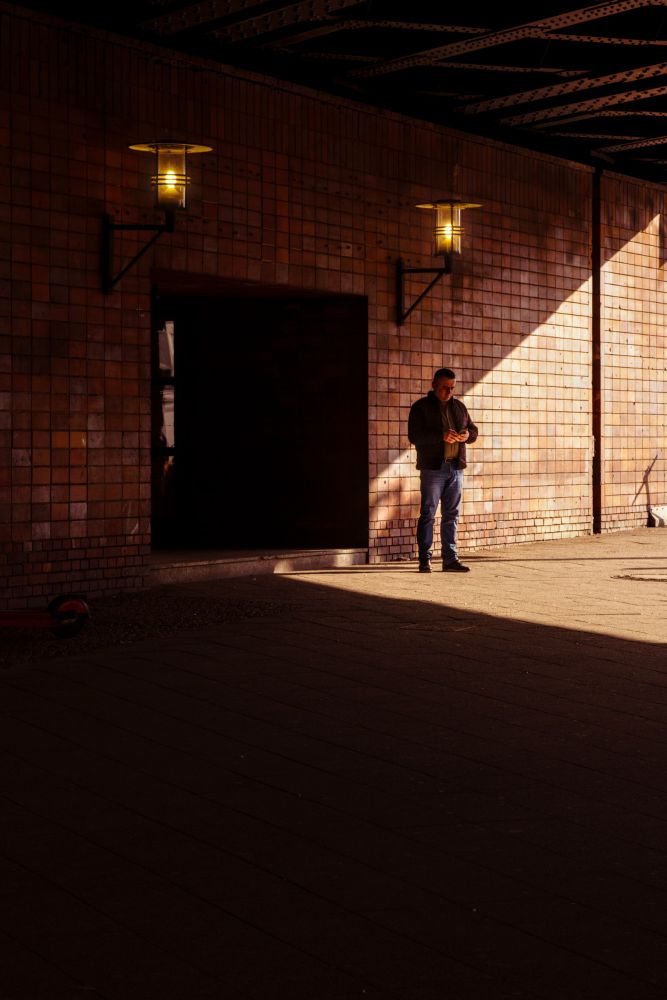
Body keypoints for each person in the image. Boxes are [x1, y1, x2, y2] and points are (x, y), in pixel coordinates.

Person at [408, 368, 479, 573]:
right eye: (445, 388)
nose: (449, 392)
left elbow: (473, 430)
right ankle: (424, 559)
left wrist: (467, 436)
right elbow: (415, 436)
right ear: (434, 385)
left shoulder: (459, 407)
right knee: (428, 513)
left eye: (452, 388)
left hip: (456, 468)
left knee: (452, 514)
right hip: (433, 468)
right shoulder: (421, 407)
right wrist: (440, 436)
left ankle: (450, 559)